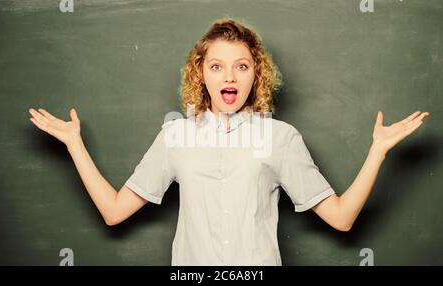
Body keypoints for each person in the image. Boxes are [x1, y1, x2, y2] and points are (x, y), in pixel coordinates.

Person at [28, 18, 429, 266]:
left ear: (258, 75)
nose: (230, 77)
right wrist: (74, 144)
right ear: (201, 74)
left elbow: (341, 219)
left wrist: (377, 150)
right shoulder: (175, 135)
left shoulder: (281, 138)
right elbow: (114, 212)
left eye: (242, 66)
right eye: (217, 66)